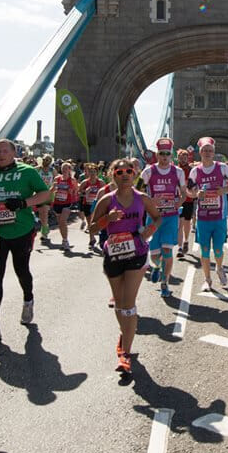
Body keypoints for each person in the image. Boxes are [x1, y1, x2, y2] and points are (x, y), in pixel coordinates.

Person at [90, 159, 161, 374]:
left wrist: (150, 229)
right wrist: (107, 220)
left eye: (129, 171)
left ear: (135, 174)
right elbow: (92, 229)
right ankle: (125, 334)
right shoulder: (106, 200)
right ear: (113, 174)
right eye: (119, 171)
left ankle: (125, 354)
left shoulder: (143, 199)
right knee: (120, 303)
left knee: (128, 302)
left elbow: (158, 217)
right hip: (113, 254)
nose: (124, 174)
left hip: (137, 253)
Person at [0, 139, 51, 341]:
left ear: (13, 152)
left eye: (5, 151)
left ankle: (28, 299)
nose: (1, 154)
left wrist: (24, 202)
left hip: (22, 231)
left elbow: (45, 193)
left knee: (21, 271)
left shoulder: (27, 171)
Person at [186, 138, 228, 292]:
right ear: (200, 153)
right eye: (205, 151)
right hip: (203, 217)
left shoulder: (222, 168)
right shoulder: (195, 171)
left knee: (219, 249)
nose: (207, 153)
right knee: (205, 250)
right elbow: (189, 191)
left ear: (214, 153)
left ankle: (219, 268)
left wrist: (225, 190)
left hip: (219, 216)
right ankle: (207, 280)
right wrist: (196, 193)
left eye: (210, 151)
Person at [140, 138, 185, 298]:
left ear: (171, 155)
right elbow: (138, 189)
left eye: (167, 153)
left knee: (167, 250)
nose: (165, 156)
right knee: (154, 254)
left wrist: (177, 202)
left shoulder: (178, 172)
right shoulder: (148, 171)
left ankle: (164, 282)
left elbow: (184, 193)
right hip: (154, 218)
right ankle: (157, 267)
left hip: (171, 217)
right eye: (161, 153)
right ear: (157, 155)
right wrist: (150, 201)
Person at [51, 161, 79, 251]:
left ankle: (66, 241)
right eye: (63, 168)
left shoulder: (73, 180)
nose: (64, 170)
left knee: (63, 221)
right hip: (57, 203)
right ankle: (64, 240)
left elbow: (76, 191)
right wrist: (54, 188)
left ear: (69, 170)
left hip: (67, 203)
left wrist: (72, 192)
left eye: (66, 168)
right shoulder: (57, 178)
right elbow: (51, 190)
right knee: (60, 224)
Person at [79, 164, 104, 249]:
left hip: (97, 205)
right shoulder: (85, 182)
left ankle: (101, 237)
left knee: (97, 223)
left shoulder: (100, 182)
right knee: (90, 223)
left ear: (97, 172)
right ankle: (92, 240)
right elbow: (79, 193)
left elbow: (106, 193)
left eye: (94, 172)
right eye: (90, 172)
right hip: (87, 204)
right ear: (88, 173)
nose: (92, 174)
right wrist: (84, 192)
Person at [176, 149, 195, 257]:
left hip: (188, 200)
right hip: (178, 200)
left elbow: (193, 185)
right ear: (177, 158)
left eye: (185, 157)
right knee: (180, 224)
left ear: (187, 158)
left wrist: (192, 191)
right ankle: (179, 248)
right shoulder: (174, 170)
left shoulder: (191, 170)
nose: (183, 159)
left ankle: (186, 241)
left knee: (187, 223)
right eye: (181, 157)